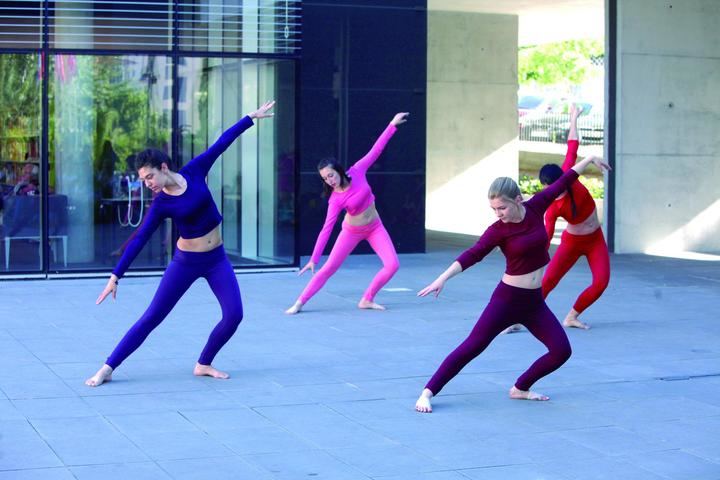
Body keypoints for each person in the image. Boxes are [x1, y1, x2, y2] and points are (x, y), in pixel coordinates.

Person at [85, 100, 275, 387]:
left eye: (150, 176)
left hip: (217, 259)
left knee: (234, 315)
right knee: (153, 317)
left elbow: (221, 144)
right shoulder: (161, 203)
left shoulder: (194, 171)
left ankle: (204, 363)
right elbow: (140, 238)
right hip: (185, 263)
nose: (147, 183)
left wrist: (250, 117)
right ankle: (108, 367)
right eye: (143, 179)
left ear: (163, 168)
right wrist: (116, 276)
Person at [414, 154, 611, 413]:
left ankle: (520, 388)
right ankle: (427, 392)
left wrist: (589, 160)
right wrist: (442, 278)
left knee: (561, 351)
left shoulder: (536, 207)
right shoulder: (498, 230)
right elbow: (473, 254)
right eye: (494, 209)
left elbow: (564, 180)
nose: (498, 214)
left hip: (533, 302)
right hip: (507, 300)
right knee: (473, 346)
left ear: (518, 200)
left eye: (502, 208)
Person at [285, 112, 408, 314]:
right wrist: (314, 258)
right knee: (328, 269)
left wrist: (392, 125)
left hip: (375, 227)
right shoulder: (335, 199)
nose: (329, 180)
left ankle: (367, 299)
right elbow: (326, 229)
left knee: (392, 265)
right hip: (352, 231)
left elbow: (376, 150)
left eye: (331, 175)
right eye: (325, 179)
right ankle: (299, 302)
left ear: (339, 171)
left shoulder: (357, 171)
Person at [539, 103, 610, 330]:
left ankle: (571, 317)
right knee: (549, 281)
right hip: (572, 242)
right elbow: (547, 236)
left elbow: (572, 146)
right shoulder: (553, 207)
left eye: (557, 186)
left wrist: (573, 118)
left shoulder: (569, 175)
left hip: (595, 239)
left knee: (601, 282)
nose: (555, 191)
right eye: (551, 189)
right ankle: (519, 316)